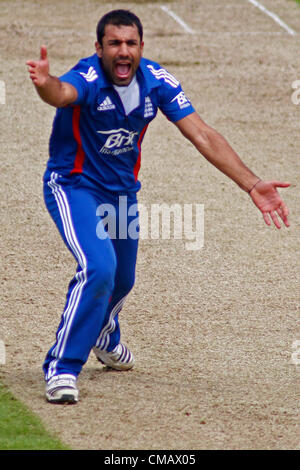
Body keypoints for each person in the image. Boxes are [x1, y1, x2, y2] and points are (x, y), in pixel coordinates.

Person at [26, 9, 290, 404]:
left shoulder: (157, 82)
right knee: (99, 267)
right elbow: (62, 94)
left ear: (141, 48)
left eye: (130, 43)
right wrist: (46, 83)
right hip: (74, 186)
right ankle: (62, 367)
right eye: (114, 43)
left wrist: (251, 184)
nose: (123, 51)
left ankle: (103, 330)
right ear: (99, 48)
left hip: (121, 194)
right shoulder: (88, 77)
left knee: (122, 280)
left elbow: (201, 133)